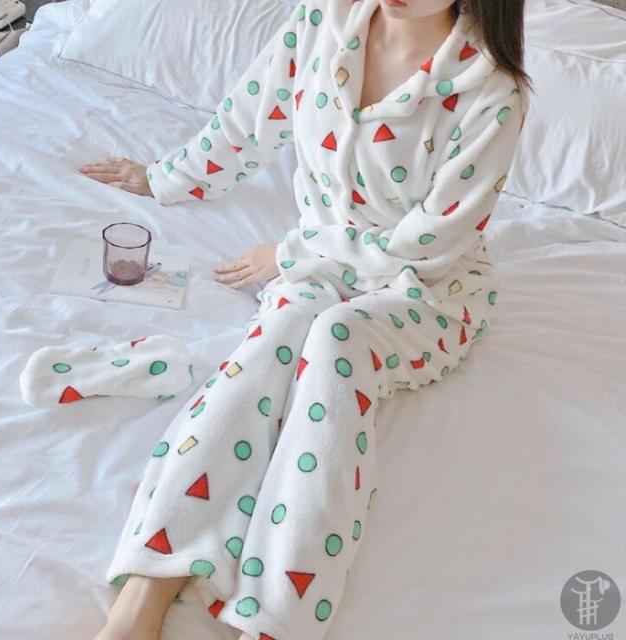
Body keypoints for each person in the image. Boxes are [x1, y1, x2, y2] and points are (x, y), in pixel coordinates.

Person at [79, 0, 531, 639]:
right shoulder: (323, 21)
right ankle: (146, 590)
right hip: (322, 268)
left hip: (429, 292)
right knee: (263, 354)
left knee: (337, 343)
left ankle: (276, 618)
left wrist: (289, 252)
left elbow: (430, 245)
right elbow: (249, 118)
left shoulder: (492, 91)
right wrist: (163, 178)